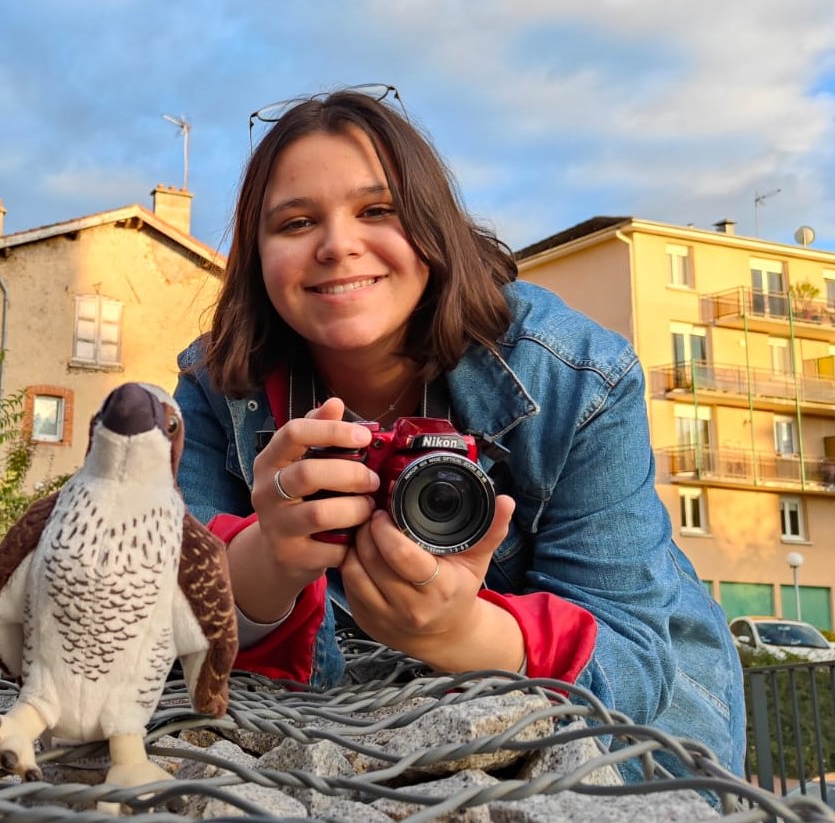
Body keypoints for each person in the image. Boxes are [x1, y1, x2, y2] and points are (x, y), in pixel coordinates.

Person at [172, 84, 745, 790]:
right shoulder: (213, 386)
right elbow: (160, 617)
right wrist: (266, 558)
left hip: (641, 741)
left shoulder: (575, 377)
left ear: (432, 227)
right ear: (257, 257)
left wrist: (449, 630)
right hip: (345, 741)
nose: (337, 244)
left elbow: (630, 661)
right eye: (295, 222)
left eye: (377, 210)